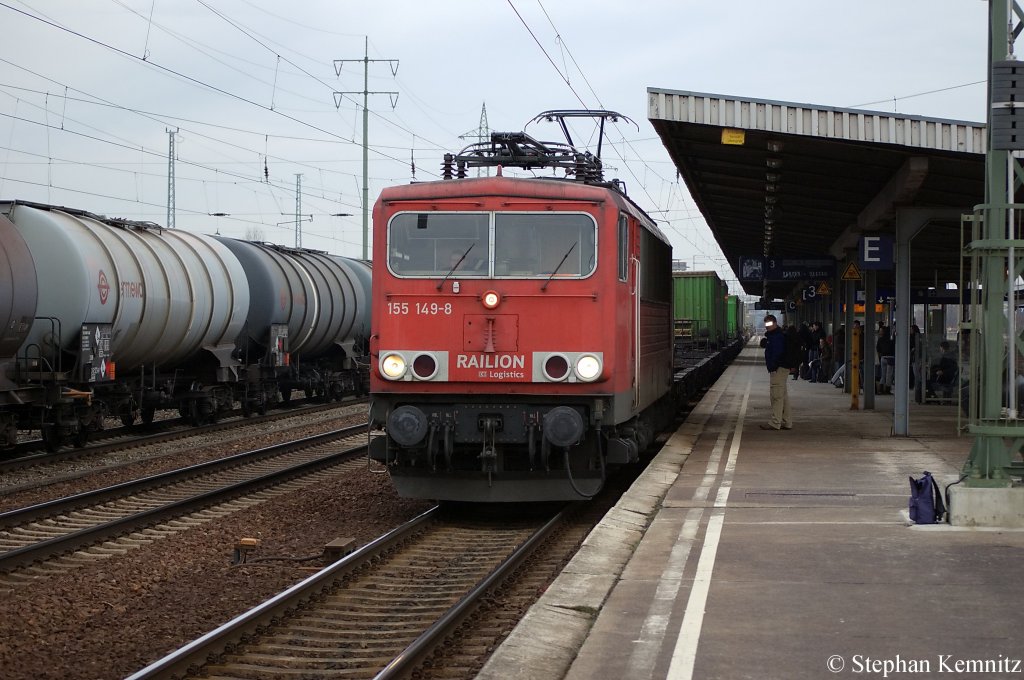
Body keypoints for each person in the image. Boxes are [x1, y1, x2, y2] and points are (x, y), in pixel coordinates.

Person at [760, 314, 794, 431]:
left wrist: (773, 367)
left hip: (778, 369)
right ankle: (786, 421)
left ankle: (775, 422)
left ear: (775, 323)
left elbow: (777, 353)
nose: (767, 326)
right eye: (766, 324)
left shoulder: (777, 337)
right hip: (781, 368)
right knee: (783, 396)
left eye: (769, 324)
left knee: (776, 396)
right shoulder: (775, 336)